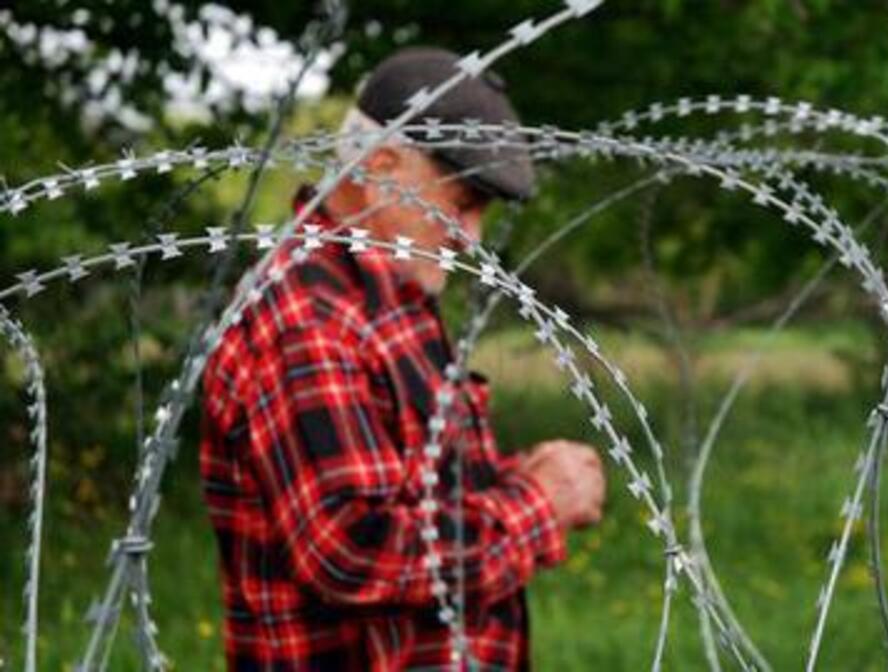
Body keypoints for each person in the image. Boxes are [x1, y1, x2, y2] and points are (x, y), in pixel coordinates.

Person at [199, 47, 606, 671]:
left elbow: (416, 477)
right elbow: (352, 550)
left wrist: (511, 474)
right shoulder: (308, 315)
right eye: (462, 203)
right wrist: (537, 504)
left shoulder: (385, 289)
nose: (469, 237)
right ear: (381, 164)